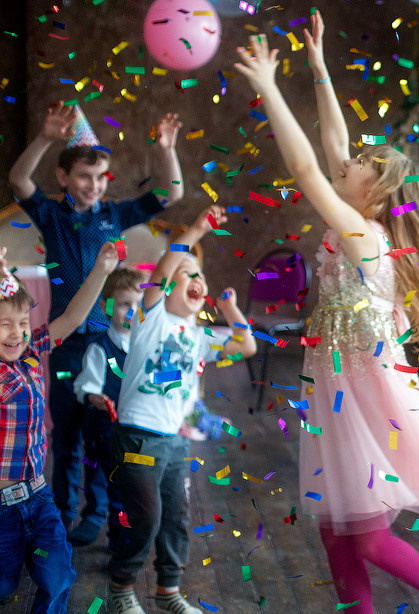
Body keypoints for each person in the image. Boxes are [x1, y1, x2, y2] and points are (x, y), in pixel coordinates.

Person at [234, 15, 419, 613]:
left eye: (360, 162)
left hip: (365, 393)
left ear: (375, 192)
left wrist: (270, 88)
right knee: (335, 526)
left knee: (367, 533)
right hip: (334, 384)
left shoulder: (363, 235)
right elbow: (333, 145)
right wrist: (320, 66)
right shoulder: (359, 221)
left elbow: (308, 168)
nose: (347, 160)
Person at [7, 102, 185, 537]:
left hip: (108, 344)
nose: (93, 184)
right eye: (84, 176)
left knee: (103, 435)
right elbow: (17, 180)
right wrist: (47, 137)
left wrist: (165, 150)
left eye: (100, 176)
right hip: (66, 341)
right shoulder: (51, 214)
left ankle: (97, 514)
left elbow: (172, 194)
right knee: (66, 433)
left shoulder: (116, 215)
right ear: (65, 178)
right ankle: (65, 513)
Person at [105, 206, 256, 614]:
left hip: (172, 441)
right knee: (147, 518)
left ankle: (168, 591)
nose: (197, 280)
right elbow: (162, 269)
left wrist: (229, 311)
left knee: (176, 517)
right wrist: (196, 230)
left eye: (200, 276)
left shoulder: (199, 335)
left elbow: (246, 346)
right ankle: (121, 587)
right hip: (137, 435)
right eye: (187, 274)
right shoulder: (149, 317)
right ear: (166, 287)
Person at [0, 241, 119, 614]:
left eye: (21, 323)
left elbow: (71, 318)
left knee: (56, 576)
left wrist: (100, 270)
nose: (16, 333)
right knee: (3, 587)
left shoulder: (32, 353)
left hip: (38, 498)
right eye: (4, 325)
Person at [71, 267, 145, 548]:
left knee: (127, 490)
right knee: (104, 481)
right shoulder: (99, 349)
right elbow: (83, 386)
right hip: (104, 433)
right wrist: (94, 398)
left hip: (136, 433)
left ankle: (123, 536)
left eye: (138, 305)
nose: (132, 311)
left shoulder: (146, 347)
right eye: (125, 304)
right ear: (106, 307)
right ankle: (111, 533)